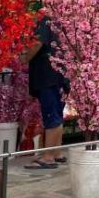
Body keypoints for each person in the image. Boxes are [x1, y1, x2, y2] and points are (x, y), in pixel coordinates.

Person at [23, 14, 68, 169]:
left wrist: (25, 58)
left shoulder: (45, 20)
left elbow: (37, 44)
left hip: (48, 76)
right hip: (61, 76)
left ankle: (48, 156)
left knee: (51, 114)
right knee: (57, 114)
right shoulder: (65, 20)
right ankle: (57, 152)